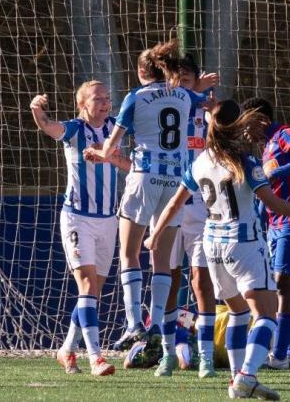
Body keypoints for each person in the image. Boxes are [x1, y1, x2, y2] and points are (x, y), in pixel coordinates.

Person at [145, 99, 290, 400]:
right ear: (238, 125)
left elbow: (174, 203)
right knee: (267, 316)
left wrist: (154, 234)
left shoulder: (201, 160)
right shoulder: (245, 160)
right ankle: (246, 375)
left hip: (213, 247)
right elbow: (273, 204)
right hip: (244, 244)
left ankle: (238, 381)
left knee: (238, 313)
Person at [84, 39, 203, 352]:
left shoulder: (135, 97)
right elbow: (203, 101)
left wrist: (99, 154)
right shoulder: (185, 96)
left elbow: (112, 146)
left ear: (140, 71)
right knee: (162, 260)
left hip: (144, 178)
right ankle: (161, 330)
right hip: (176, 182)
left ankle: (135, 324)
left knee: (129, 252)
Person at [31, 80, 129, 376]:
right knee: (87, 285)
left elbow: (129, 165)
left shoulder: (116, 128)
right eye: (98, 98)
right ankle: (96, 357)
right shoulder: (75, 129)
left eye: (107, 97)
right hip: (78, 218)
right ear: (82, 104)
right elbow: (49, 126)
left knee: (93, 291)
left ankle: (67, 349)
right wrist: (37, 109)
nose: (104, 103)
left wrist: (110, 155)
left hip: (108, 218)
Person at [154, 53, 220, 378]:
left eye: (188, 82)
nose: (182, 88)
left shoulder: (206, 114)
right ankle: (167, 353)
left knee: (201, 282)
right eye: (176, 82)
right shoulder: (161, 111)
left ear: (197, 83)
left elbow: (220, 136)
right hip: (168, 201)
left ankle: (206, 355)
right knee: (168, 278)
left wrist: (213, 112)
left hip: (200, 207)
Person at [242, 96, 290, 370]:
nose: (245, 131)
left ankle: (279, 354)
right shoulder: (265, 149)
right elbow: (268, 194)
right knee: (287, 288)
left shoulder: (285, 134)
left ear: (260, 120)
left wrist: (278, 174)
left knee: (284, 286)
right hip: (275, 225)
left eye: (247, 125)